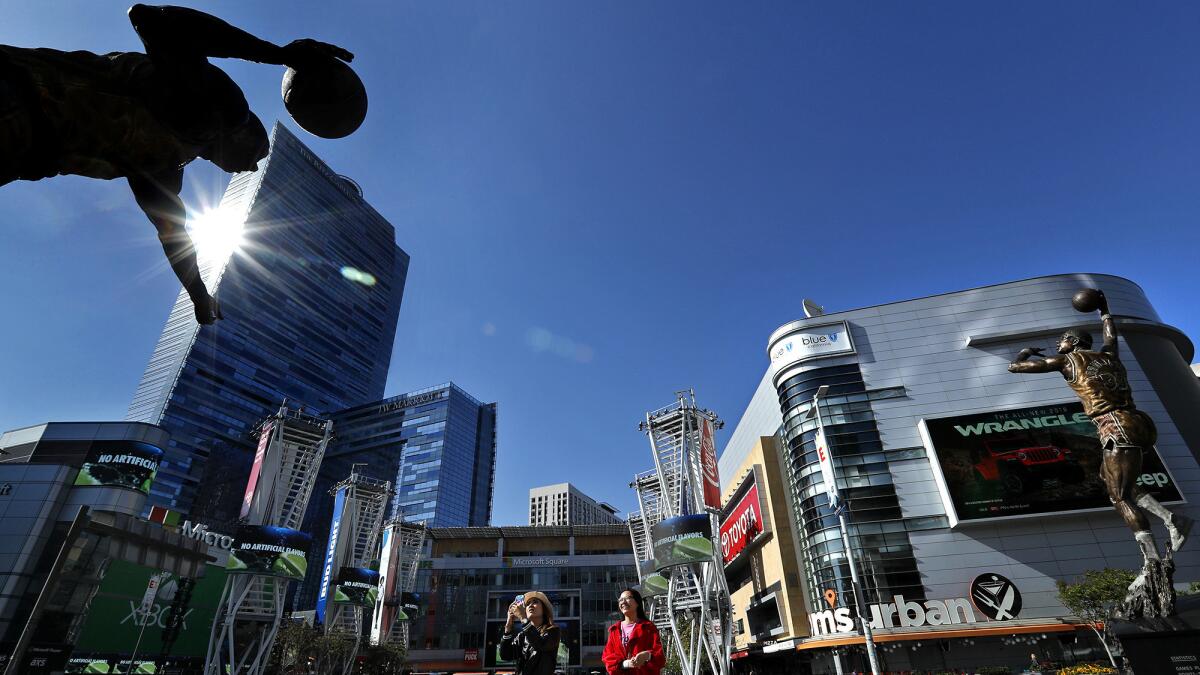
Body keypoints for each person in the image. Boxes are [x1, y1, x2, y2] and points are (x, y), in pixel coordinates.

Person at [0, 5, 357, 324]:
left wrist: (199, 296)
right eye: (256, 155)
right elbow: (149, 17)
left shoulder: (164, 165)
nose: (250, 168)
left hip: (22, 152)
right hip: (19, 93)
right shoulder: (210, 108)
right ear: (237, 132)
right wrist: (276, 54)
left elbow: (174, 237)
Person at [1008, 289, 1191, 570]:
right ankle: (1170, 518)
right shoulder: (1109, 355)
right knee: (1109, 478)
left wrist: (1026, 352)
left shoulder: (1066, 361)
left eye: (1061, 340)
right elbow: (1111, 336)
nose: (1058, 343)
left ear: (1072, 342)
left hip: (1114, 425)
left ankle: (1152, 558)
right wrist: (1104, 308)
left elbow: (1014, 367)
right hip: (1139, 423)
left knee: (1119, 496)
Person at [601, 588, 665, 675]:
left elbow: (660, 657)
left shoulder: (648, 627)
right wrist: (626, 664)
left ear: (637, 603)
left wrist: (647, 655)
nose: (623, 602)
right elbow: (607, 657)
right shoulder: (614, 630)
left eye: (628, 598)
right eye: (620, 600)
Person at [500, 590, 561, 675]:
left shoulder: (553, 631)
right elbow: (505, 655)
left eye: (535, 602)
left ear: (544, 609)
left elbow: (540, 645)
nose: (530, 605)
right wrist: (508, 627)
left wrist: (523, 618)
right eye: (528, 603)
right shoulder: (522, 635)